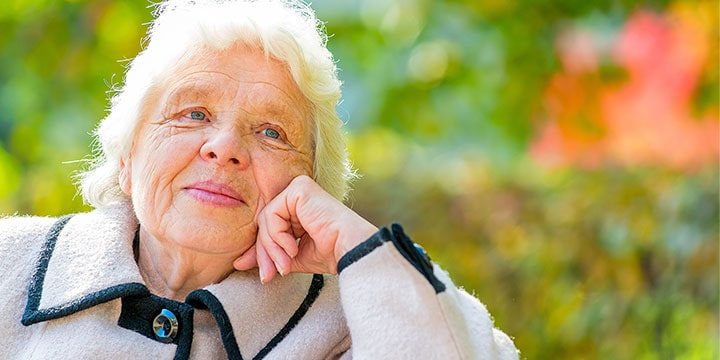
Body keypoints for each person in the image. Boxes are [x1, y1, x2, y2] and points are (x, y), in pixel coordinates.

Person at [0, 0, 519, 358]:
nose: (224, 148)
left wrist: (365, 250)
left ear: (310, 183)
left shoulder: (352, 318)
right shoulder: (10, 265)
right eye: (194, 113)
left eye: (272, 132)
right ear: (128, 156)